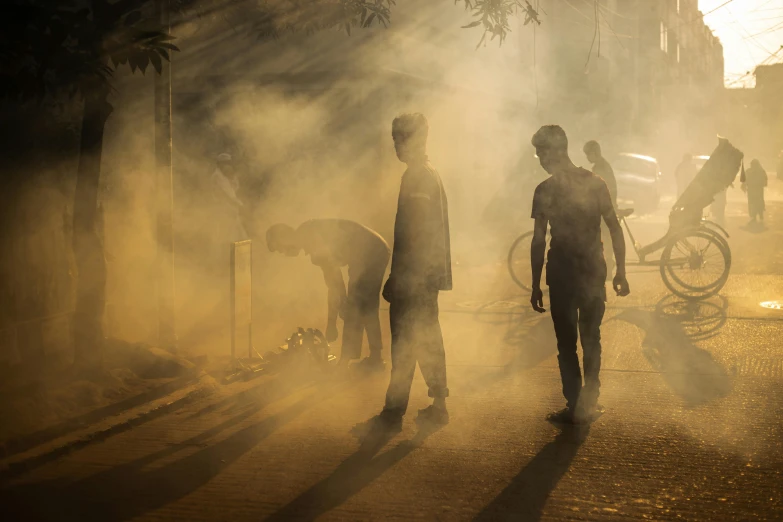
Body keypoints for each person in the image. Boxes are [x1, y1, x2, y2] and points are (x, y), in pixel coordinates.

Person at [530, 125, 630, 425]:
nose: (539, 159)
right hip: (591, 270)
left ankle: (576, 406)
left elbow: (538, 240)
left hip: (562, 273)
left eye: (541, 152)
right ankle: (587, 402)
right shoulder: (594, 183)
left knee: (567, 343)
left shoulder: (545, 190)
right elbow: (613, 226)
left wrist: (535, 284)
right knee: (590, 338)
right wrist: (620, 270)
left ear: (557, 150)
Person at [378, 113, 452, 430]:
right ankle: (436, 401)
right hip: (424, 274)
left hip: (416, 275)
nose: (397, 145)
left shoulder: (419, 178)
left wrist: (400, 275)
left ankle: (395, 411)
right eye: (394, 138)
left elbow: (416, 233)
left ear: (418, 140)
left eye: (402, 138)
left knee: (407, 339)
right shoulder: (425, 174)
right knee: (424, 336)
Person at [266, 220, 391, 370]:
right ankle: (375, 359)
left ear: (284, 237)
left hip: (370, 253)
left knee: (356, 304)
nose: (283, 252)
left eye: (279, 248)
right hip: (376, 248)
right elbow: (336, 287)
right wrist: (339, 309)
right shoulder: (307, 233)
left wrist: (332, 322)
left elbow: (335, 286)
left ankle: (347, 361)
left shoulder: (312, 240)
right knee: (365, 305)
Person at [584, 140, 617, 279]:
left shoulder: (600, 168)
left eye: (588, 154)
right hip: (605, 206)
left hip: (604, 208)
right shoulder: (601, 166)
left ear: (595, 153)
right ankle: (606, 266)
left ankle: (606, 267)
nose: (587, 157)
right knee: (604, 238)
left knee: (600, 237)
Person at [742, 159, 768, 224]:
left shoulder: (751, 171)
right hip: (755, 190)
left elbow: (765, 181)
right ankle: (756, 215)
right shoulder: (760, 171)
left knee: (756, 202)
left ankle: (757, 214)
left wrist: (744, 185)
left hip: (755, 190)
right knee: (754, 203)